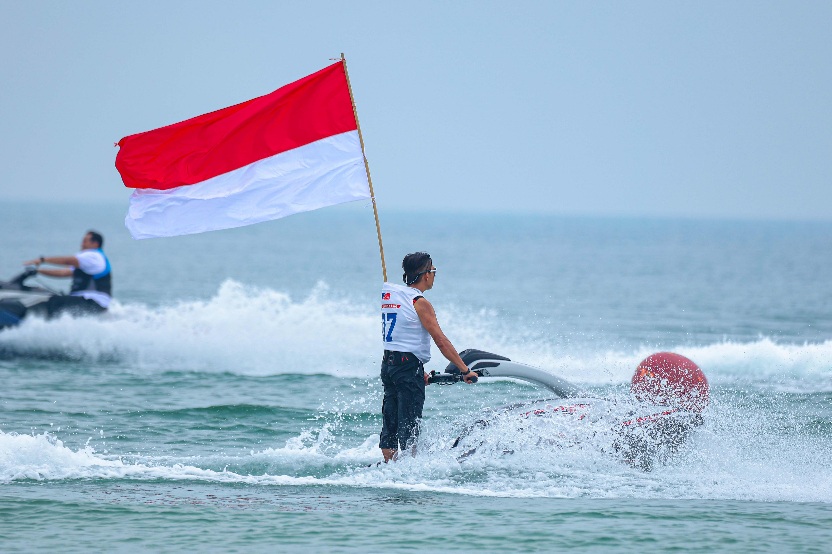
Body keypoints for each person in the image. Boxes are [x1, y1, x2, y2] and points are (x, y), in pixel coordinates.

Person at [379, 252, 477, 462]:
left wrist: (417, 369)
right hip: (405, 368)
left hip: (389, 366)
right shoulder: (420, 302)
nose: (434, 275)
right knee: (410, 431)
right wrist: (465, 370)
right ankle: (408, 476)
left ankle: (390, 471)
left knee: (390, 429)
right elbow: (440, 340)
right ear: (425, 275)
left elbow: (400, 337)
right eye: (433, 270)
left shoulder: (392, 296)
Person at [23, 230, 112, 319]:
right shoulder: (88, 261)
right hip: (88, 302)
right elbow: (63, 273)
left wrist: (42, 260)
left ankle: (28, 319)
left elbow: (68, 261)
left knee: (54, 301)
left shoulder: (94, 256)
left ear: (95, 244)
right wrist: (38, 271)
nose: (82, 244)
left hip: (93, 302)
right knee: (51, 297)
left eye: (85, 241)